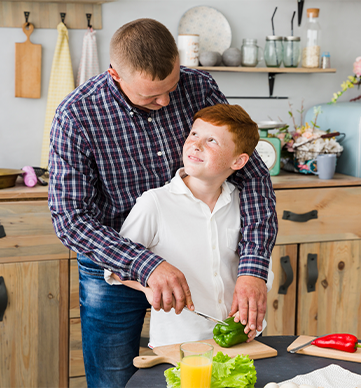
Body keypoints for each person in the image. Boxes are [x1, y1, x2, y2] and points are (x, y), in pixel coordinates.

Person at [47, 19, 278, 388]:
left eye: (171, 86)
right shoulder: (77, 115)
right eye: (151, 96)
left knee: (200, 374)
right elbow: (71, 219)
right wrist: (146, 264)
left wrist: (252, 269)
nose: (166, 101)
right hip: (116, 264)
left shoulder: (199, 86)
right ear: (115, 75)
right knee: (113, 379)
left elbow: (251, 174)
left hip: (193, 260)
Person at [106, 104, 272, 348]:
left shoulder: (245, 205)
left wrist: (248, 316)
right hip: (179, 343)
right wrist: (147, 286)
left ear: (239, 161)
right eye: (194, 134)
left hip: (242, 339)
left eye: (212, 140)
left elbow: (262, 268)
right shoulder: (155, 202)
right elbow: (114, 265)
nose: (196, 144)